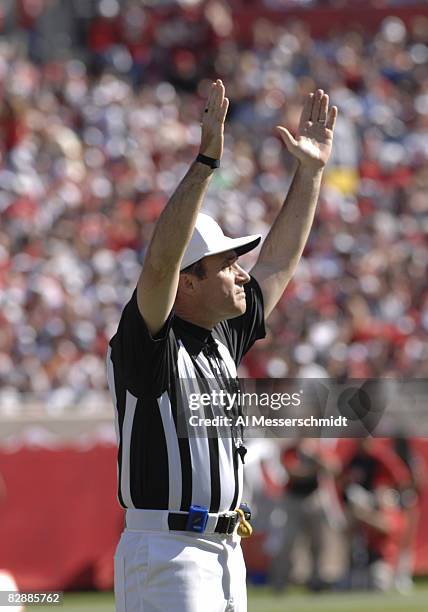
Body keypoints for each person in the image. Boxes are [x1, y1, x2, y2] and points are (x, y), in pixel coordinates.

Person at [107, 78, 337, 612]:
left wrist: (310, 174)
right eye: (226, 264)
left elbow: (277, 263)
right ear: (187, 281)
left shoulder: (220, 336)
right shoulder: (150, 341)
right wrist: (207, 162)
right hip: (170, 551)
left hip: (226, 549)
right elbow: (160, 264)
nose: (241, 273)